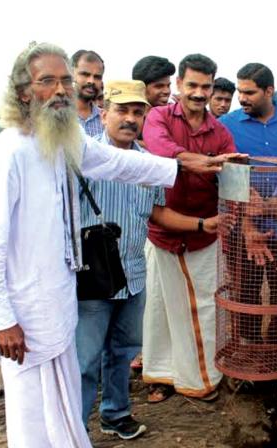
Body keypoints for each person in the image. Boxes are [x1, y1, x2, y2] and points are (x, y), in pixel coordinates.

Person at [0, 43, 238, 448]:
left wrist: (182, 164)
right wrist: (0, 319)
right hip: (23, 309)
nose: (60, 90)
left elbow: (117, 163)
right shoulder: (10, 149)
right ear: (23, 91)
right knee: (31, 411)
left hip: (57, 299)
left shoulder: (62, 140)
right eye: (47, 81)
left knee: (61, 402)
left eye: (64, 81)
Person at [75, 79, 225, 440]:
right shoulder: (83, 158)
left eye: (137, 112)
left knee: (122, 351)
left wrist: (204, 223)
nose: (129, 118)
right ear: (103, 112)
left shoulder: (149, 164)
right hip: (92, 279)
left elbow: (158, 213)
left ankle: (116, 414)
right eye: (122, 110)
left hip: (133, 274)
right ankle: (74, 430)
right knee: (84, 360)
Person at [140, 53, 238, 403]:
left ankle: (201, 379)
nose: (199, 93)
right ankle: (160, 376)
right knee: (160, 307)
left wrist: (255, 201)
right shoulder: (158, 117)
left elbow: (233, 178)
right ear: (179, 84)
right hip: (163, 230)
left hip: (206, 233)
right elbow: (160, 149)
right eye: (192, 85)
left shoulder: (220, 132)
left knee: (206, 307)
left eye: (206, 86)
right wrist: (198, 162)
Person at [218, 63, 277, 348]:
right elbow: (228, 179)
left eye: (249, 92)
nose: (242, 98)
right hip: (243, 230)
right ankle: (248, 350)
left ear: (270, 91)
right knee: (245, 292)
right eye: (239, 92)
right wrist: (246, 226)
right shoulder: (228, 125)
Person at [71, 49, 105, 136]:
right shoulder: (57, 114)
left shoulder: (106, 119)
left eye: (97, 77)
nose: (91, 81)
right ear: (71, 74)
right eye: (85, 74)